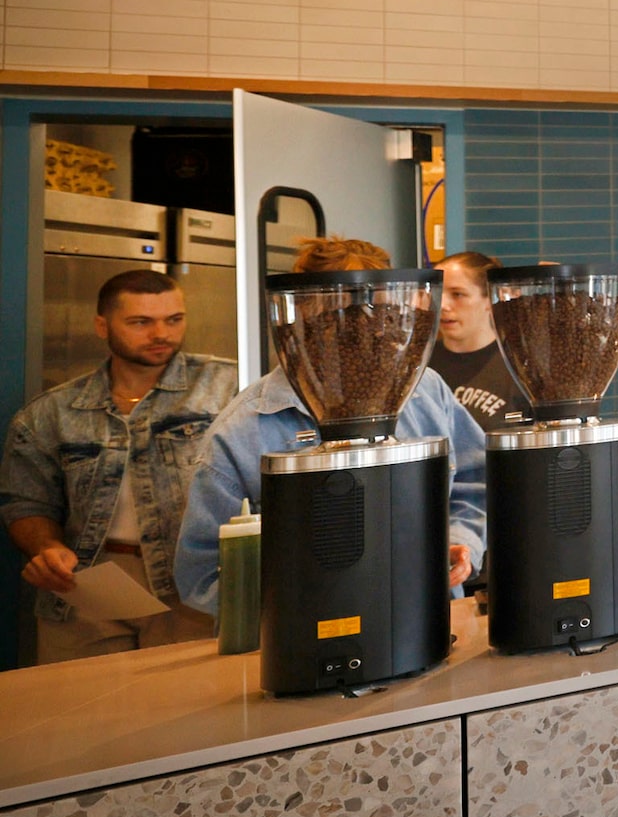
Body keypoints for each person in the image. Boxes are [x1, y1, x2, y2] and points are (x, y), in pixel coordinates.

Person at [174, 236, 489, 613]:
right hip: (309, 650)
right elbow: (203, 575)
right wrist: (308, 601)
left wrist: (460, 540)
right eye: (341, 311)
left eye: (378, 307)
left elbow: (474, 484)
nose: (364, 325)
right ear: (303, 313)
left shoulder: (427, 391)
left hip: (431, 621)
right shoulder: (245, 429)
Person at [2, 269, 240, 661]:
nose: (161, 333)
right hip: (92, 580)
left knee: (192, 712)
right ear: (102, 325)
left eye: (173, 320)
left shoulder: (230, 385)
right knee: (82, 713)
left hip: (197, 575)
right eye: (141, 322)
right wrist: (46, 548)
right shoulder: (50, 413)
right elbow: (26, 503)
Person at [429, 250, 527, 428]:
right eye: (437, 293)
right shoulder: (419, 367)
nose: (442, 305)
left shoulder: (520, 366)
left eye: (457, 294)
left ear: (490, 298)